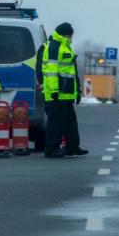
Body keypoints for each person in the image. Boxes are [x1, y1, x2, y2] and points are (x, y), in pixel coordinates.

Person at [41, 22, 88, 158]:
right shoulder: (54, 47)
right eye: (70, 35)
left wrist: (77, 91)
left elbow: (71, 71)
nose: (71, 38)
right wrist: (54, 90)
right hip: (57, 93)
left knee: (70, 123)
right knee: (56, 123)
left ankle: (72, 147)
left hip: (66, 93)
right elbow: (51, 70)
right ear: (65, 35)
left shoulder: (66, 46)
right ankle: (51, 149)